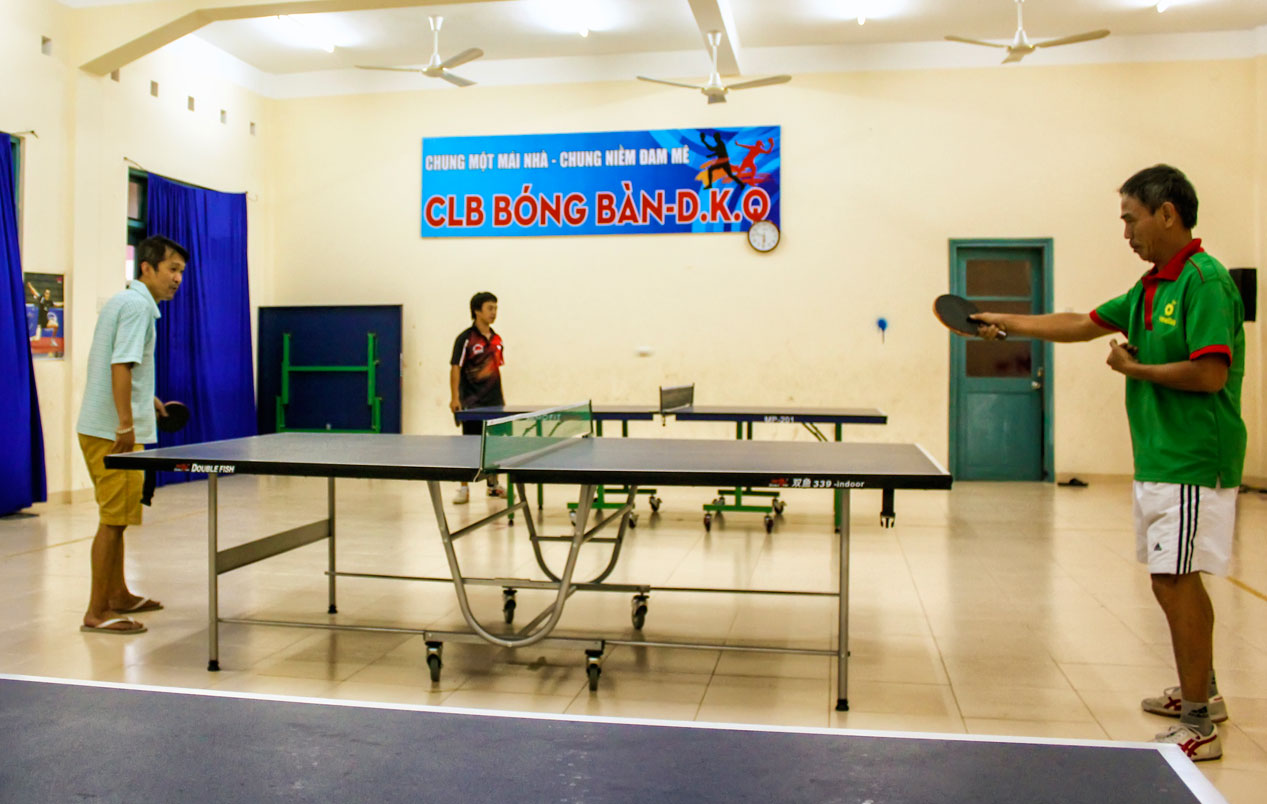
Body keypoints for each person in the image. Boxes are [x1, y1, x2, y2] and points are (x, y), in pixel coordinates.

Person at [971, 164, 1244, 762]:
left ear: (1166, 213)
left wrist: (1134, 369)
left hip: (1195, 457)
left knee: (1176, 580)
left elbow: (1211, 372)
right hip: (1158, 455)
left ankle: (1198, 721)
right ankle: (1205, 693)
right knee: (1168, 580)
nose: (1126, 233)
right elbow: (1082, 323)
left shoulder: (1206, 281)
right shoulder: (1150, 287)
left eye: (1130, 218)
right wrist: (1007, 322)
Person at [75, 235, 187, 635]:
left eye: (180, 272)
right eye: (171, 270)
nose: (177, 279)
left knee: (118, 518)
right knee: (112, 520)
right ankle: (96, 612)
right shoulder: (138, 307)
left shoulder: (125, 302)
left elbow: (124, 367)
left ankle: (118, 594)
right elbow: (120, 365)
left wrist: (148, 402)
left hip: (106, 426)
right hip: (113, 433)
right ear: (147, 268)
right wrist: (126, 424)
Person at [449, 291, 506, 504]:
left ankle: (493, 485)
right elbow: (456, 367)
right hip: (472, 403)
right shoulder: (466, 339)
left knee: (495, 445)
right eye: (490, 308)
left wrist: (502, 401)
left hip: (495, 403)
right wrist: (455, 398)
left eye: (496, 308)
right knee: (469, 446)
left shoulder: (497, 339)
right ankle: (463, 488)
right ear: (477, 311)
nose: (494, 313)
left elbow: (496, 371)